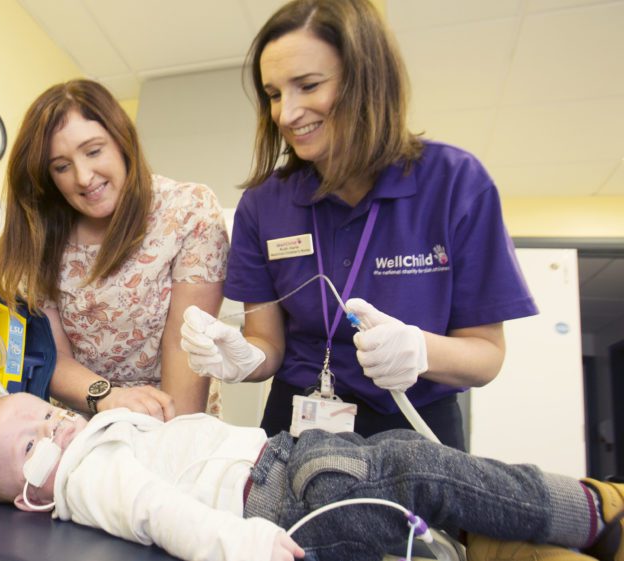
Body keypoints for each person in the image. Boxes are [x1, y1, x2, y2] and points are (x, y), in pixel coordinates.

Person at [180, 0, 537, 448]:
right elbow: (266, 346)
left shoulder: (456, 184)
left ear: (366, 79)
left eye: (308, 86)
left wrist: (421, 351)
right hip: (299, 419)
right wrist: (241, 359)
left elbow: (486, 356)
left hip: (415, 421)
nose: (286, 114)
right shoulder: (264, 205)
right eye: (273, 94)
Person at [0, 392, 624, 561]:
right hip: (273, 501)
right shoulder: (86, 475)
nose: (53, 428)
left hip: (285, 458)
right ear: (27, 495)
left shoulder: (98, 435)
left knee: (405, 467)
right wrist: (242, 545)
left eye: (46, 413)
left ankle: (533, 533)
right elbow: (158, 509)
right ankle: (589, 509)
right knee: (417, 468)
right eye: (30, 441)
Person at [0, 79, 229, 420]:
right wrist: (108, 398)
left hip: (173, 418)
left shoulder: (188, 211)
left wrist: (172, 444)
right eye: (61, 166)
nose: (83, 177)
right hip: (87, 417)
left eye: (93, 151)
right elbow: (53, 356)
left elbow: (184, 347)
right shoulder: (44, 236)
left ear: (121, 140)